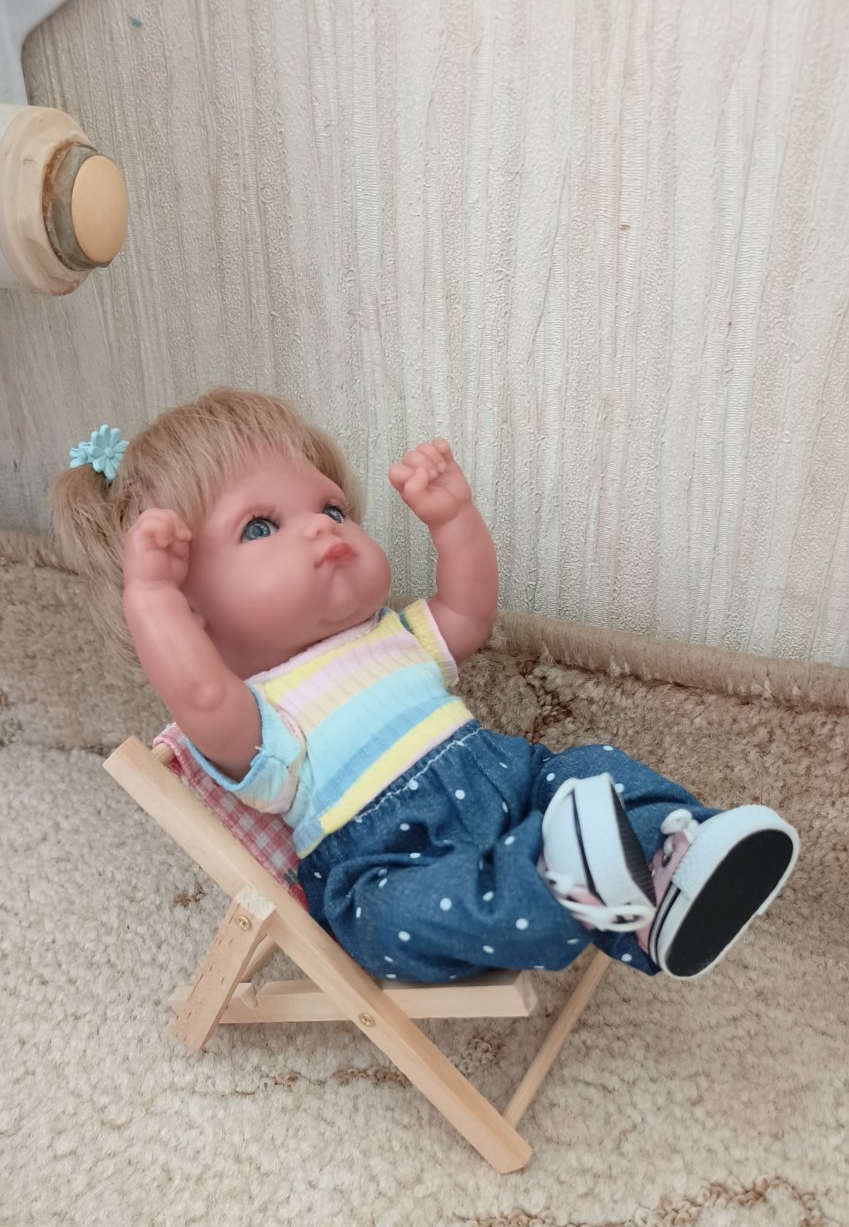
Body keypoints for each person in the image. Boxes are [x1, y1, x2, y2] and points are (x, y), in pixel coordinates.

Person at [51, 389, 798, 985]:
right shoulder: (259, 718)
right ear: (191, 614)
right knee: (389, 921)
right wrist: (149, 597)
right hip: (391, 856)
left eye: (331, 508)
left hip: (507, 782)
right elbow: (200, 696)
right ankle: (560, 883)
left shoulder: (391, 635)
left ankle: (677, 858)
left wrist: (453, 519)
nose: (321, 528)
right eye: (260, 527)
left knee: (585, 768)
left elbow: (468, 612)